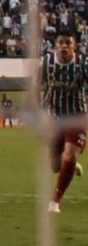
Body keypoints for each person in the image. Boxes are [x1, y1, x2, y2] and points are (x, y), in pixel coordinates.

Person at [40, 29, 88, 213]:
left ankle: (55, 201)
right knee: (55, 166)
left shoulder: (83, 64)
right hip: (54, 116)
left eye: (68, 43)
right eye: (61, 43)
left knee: (69, 154)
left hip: (76, 115)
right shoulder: (46, 63)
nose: (64, 47)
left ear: (74, 45)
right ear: (56, 45)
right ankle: (71, 166)